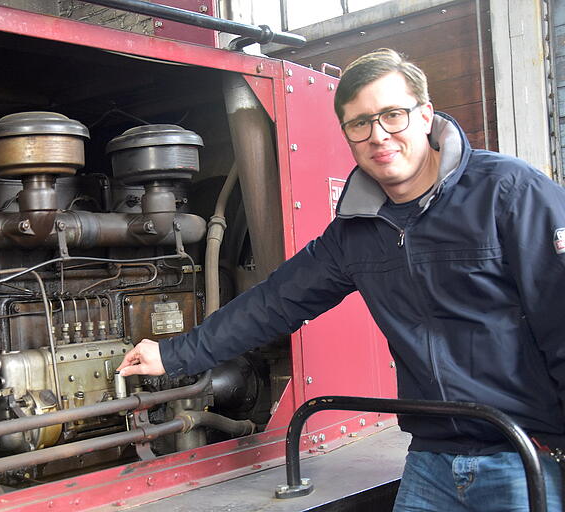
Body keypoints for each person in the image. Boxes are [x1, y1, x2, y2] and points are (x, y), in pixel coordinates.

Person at [116, 48, 565, 511]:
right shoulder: (356, 231)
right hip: (433, 456)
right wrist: (173, 354)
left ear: (425, 115)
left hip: (523, 451)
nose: (379, 136)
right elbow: (275, 301)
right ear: (348, 135)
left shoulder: (509, 192)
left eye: (393, 115)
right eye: (360, 124)